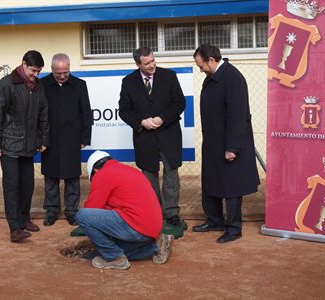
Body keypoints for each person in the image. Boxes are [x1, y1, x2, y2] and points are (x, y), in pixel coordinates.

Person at [191, 44, 260, 243]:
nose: (200, 69)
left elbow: (238, 116)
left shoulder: (233, 78)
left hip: (229, 145)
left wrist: (232, 148)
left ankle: (234, 228)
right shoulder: (211, 78)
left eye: (201, 65)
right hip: (213, 143)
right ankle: (214, 221)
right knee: (211, 182)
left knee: (231, 187)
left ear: (211, 60)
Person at [118, 46, 186, 227]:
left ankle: (172, 212)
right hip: (145, 138)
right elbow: (124, 111)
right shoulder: (128, 82)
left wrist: (162, 118)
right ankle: (154, 211)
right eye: (147, 63)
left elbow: (180, 102)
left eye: (153, 60)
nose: (152, 65)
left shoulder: (169, 76)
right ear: (138, 63)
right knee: (149, 176)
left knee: (171, 174)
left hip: (168, 134)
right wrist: (141, 122)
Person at [0, 50, 49, 242]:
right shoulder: (6, 85)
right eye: (33, 70)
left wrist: (44, 139)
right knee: (12, 187)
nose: (36, 75)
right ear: (23, 64)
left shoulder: (38, 87)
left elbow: (43, 114)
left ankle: (24, 219)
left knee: (27, 185)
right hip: (9, 146)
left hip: (29, 146)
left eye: (39, 71)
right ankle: (14, 228)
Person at [75, 150, 174, 270]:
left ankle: (114, 258)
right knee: (102, 253)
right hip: (151, 228)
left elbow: (92, 208)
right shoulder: (128, 170)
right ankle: (157, 246)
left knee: (82, 215)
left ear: (95, 170)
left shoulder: (102, 174)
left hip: (136, 226)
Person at [41, 53, 93, 227]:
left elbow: (86, 112)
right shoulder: (43, 85)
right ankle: (51, 211)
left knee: (72, 177)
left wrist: (85, 137)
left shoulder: (79, 85)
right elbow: (38, 113)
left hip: (72, 138)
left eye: (65, 72)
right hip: (49, 139)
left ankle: (71, 211)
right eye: (58, 73)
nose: (62, 76)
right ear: (52, 70)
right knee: (51, 177)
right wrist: (40, 138)